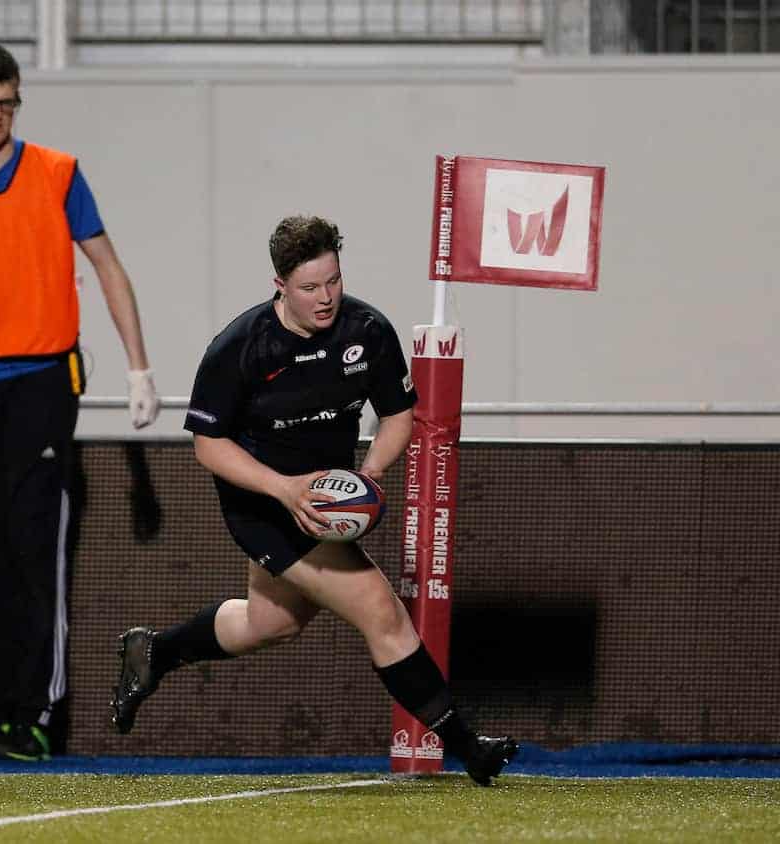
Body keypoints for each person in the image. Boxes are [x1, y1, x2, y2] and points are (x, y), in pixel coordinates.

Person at [111, 216, 518, 786]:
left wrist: (370, 473)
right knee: (381, 610)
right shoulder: (240, 347)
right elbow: (208, 445)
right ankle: (468, 749)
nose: (325, 298)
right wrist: (286, 489)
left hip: (323, 500)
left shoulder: (367, 329)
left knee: (269, 621)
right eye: (310, 287)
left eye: (334, 282)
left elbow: (399, 416)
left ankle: (154, 652)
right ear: (279, 283)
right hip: (264, 505)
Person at [0, 40, 159, 760]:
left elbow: (108, 267)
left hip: (44, 382)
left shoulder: (57, 173)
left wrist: (139, 367)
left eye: (7, 104)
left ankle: (40, 719)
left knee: (37, 552)